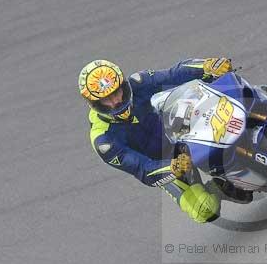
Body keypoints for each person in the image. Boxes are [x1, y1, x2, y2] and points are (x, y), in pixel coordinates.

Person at [79, 57, 234, 223]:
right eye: (106, 99)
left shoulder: (138, 83)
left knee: (216, 90)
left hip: (180, 130)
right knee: (204, 210)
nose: (115, 101)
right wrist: (172, 168)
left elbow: (173, 75)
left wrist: (205, 66)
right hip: (165, 161)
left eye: (117, 92)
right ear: (94, 104)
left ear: (123, 85)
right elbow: (143, 170)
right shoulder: (104, 141)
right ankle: (220, 188)